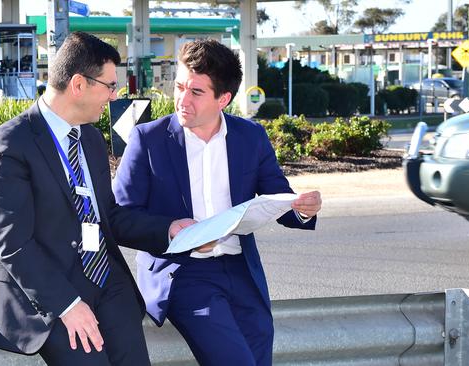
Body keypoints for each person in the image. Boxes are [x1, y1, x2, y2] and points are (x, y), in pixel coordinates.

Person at [0, 31, 194, 366]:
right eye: (110, 86)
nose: (115, 95)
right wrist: (67, 304)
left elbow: (107, 215)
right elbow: (12, 244)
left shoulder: (91, 139)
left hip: (101, 276)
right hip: (39, 288)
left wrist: (167, 229)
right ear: (78, 84)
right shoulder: (9, 145)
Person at [113, 39, 322, 366]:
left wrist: (303, 209)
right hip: (183, 273)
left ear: (223, 99)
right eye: (179, 87)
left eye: (196, 92)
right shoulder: (147, 140)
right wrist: (170, 229)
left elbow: (278, 195)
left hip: (241, 271)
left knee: (258, 358)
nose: (182, 99)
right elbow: (120, 218)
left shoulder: (250, 136)